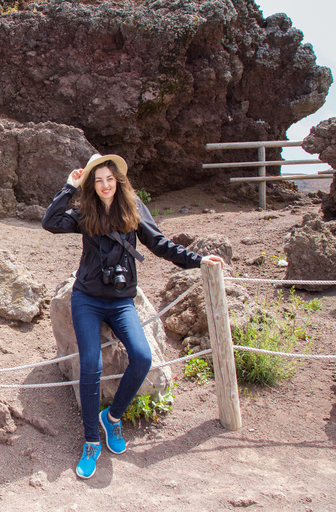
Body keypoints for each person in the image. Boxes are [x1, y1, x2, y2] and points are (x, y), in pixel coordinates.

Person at [42, 153, 224, 479]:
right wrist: (70, 185)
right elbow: (51, 221)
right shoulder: (85, 210)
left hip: (121, 301)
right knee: (91, 365)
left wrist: (199, 261)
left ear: (118, 180)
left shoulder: (134, 208)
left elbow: (161, 245)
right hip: (87, 299)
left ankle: (112, 418)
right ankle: (91, 440)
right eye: (97, 181)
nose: (105, 185)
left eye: (109, 179)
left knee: (141, 358)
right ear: (91, 185)